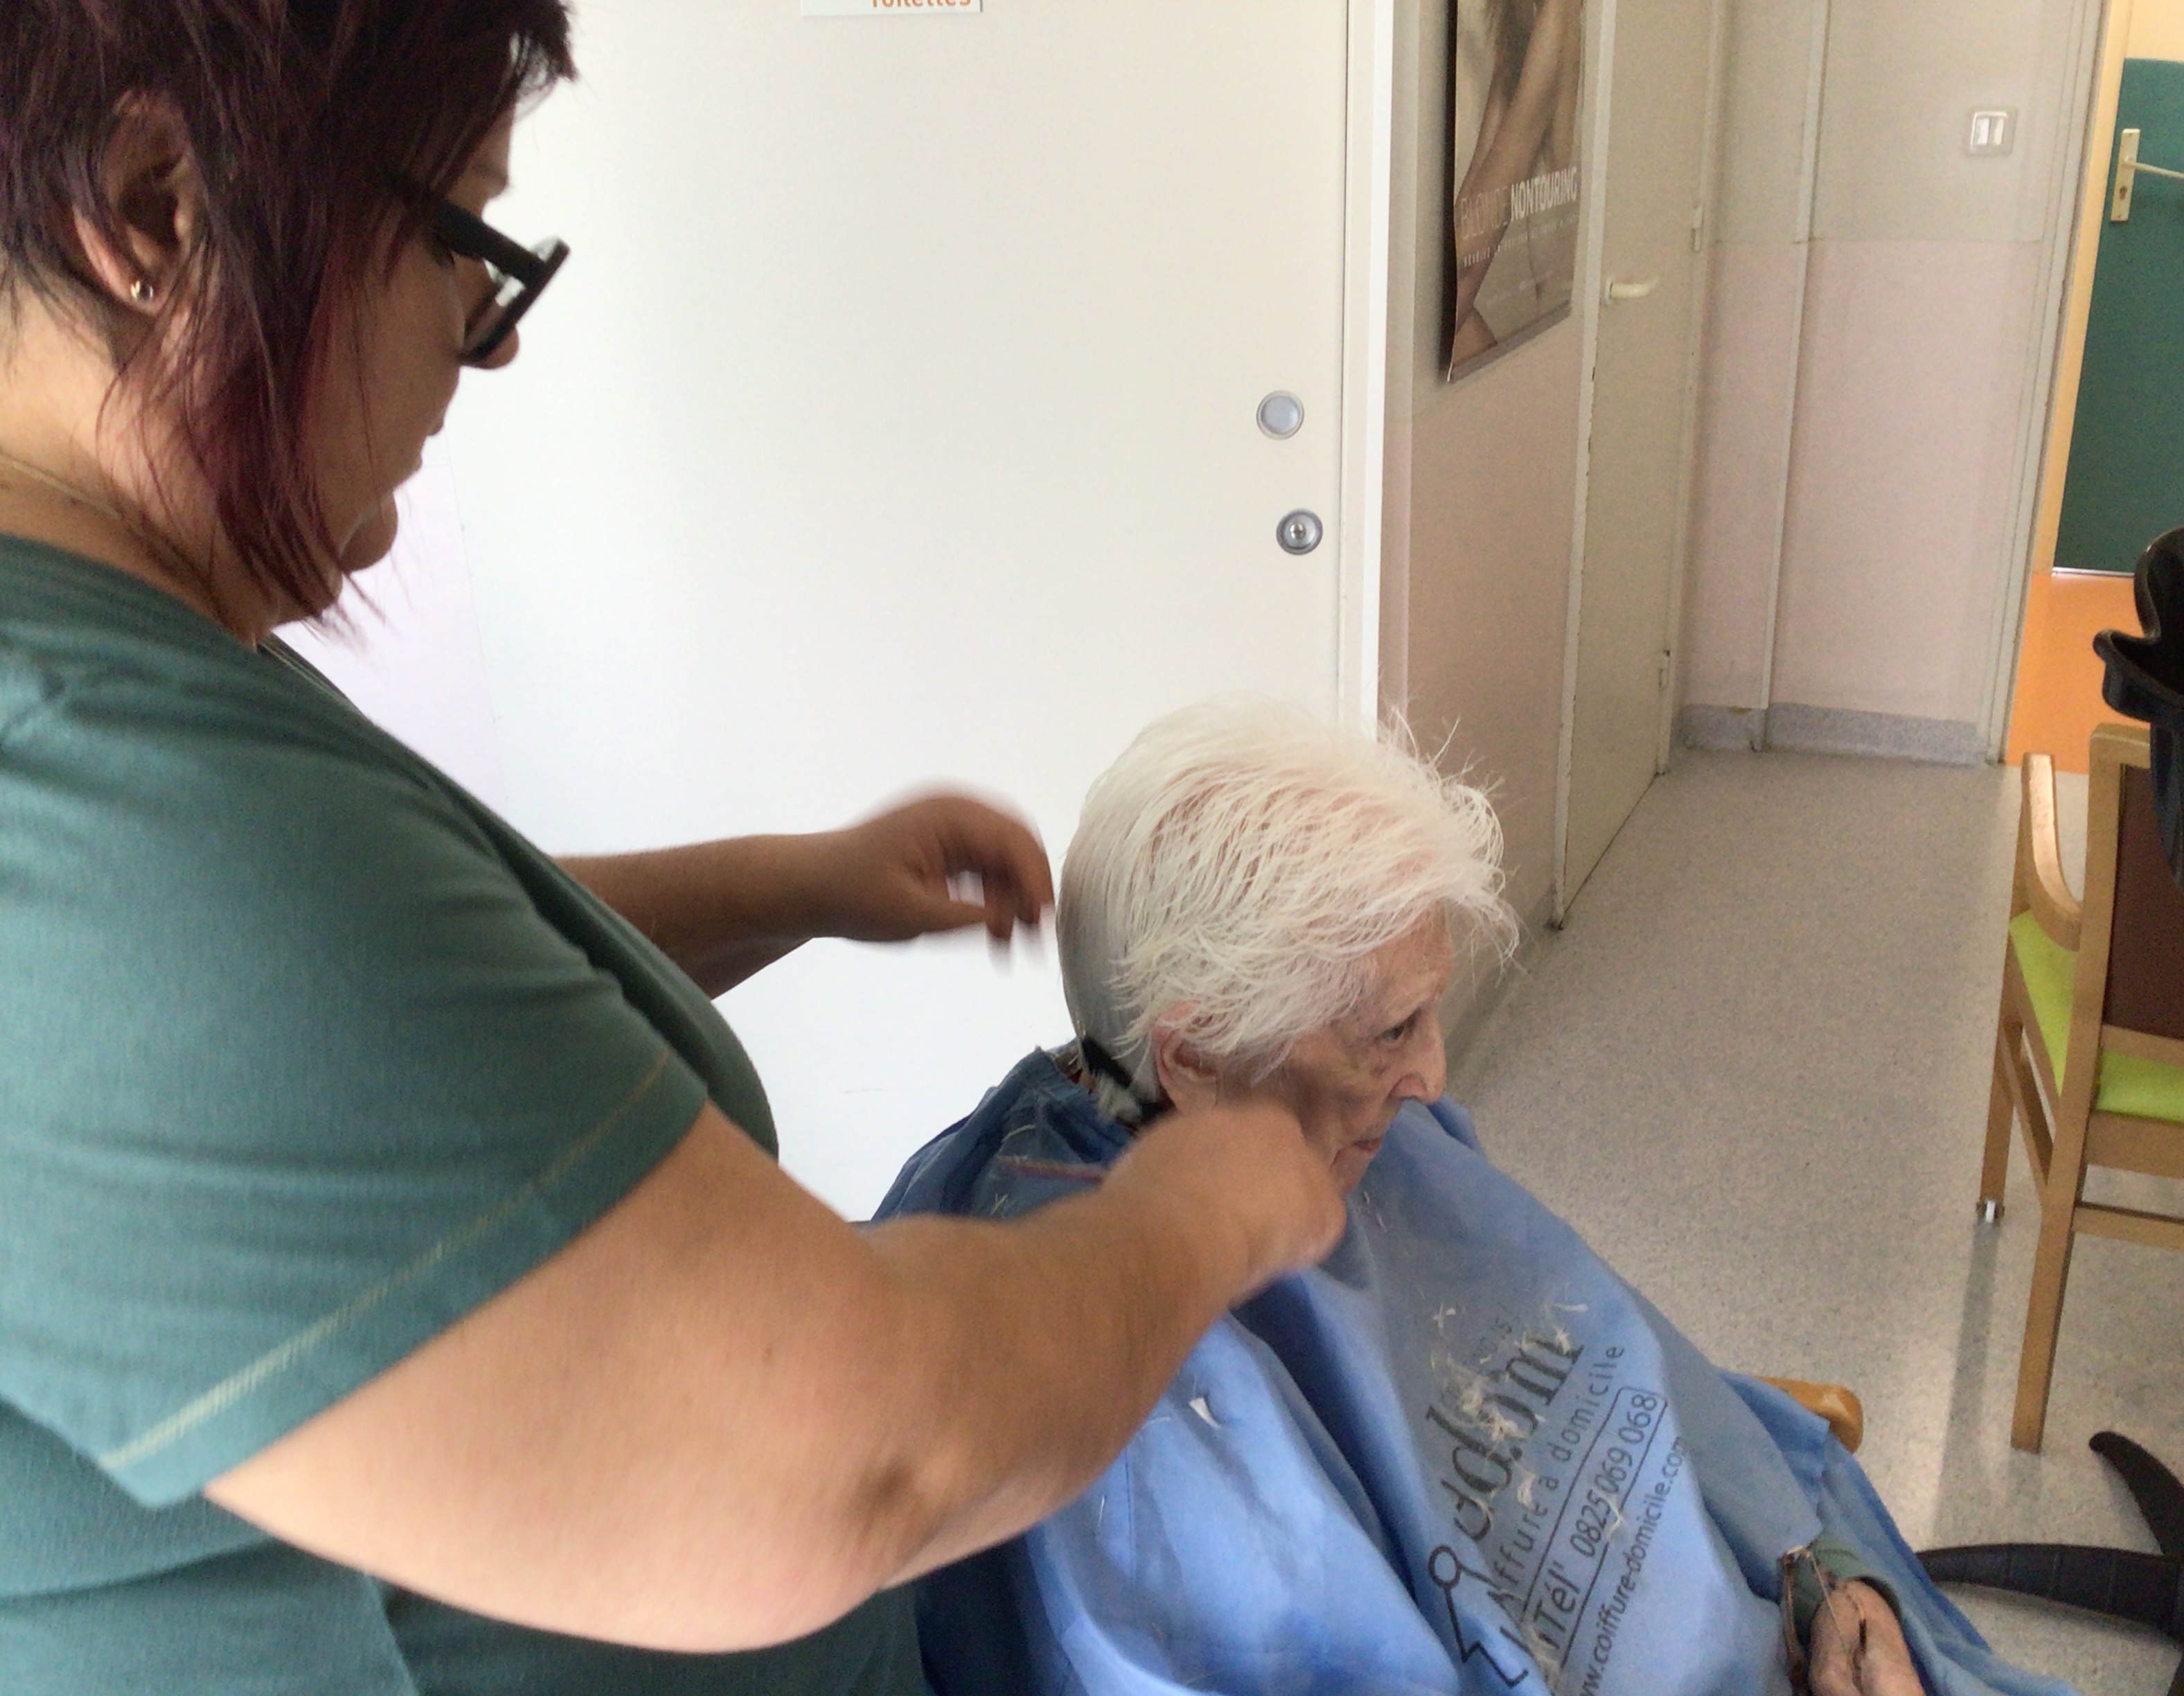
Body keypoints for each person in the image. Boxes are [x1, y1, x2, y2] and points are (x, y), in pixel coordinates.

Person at [0, 7, 1347, 1693]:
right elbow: (855, 1461)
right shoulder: (77, 803)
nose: (486, 344)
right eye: (462, 241)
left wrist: (794, 885)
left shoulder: (117, 676)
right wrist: (1199, 1214)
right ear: (157, 205)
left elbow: (390, 1004)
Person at [879, 700, 2075, 1696]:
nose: (1436, 1077)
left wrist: (1831, 1579)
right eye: (1391, 1030)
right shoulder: (1113, 1404)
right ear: (1194, 1058)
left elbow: (1634, 1379)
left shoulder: (1364, 1133)